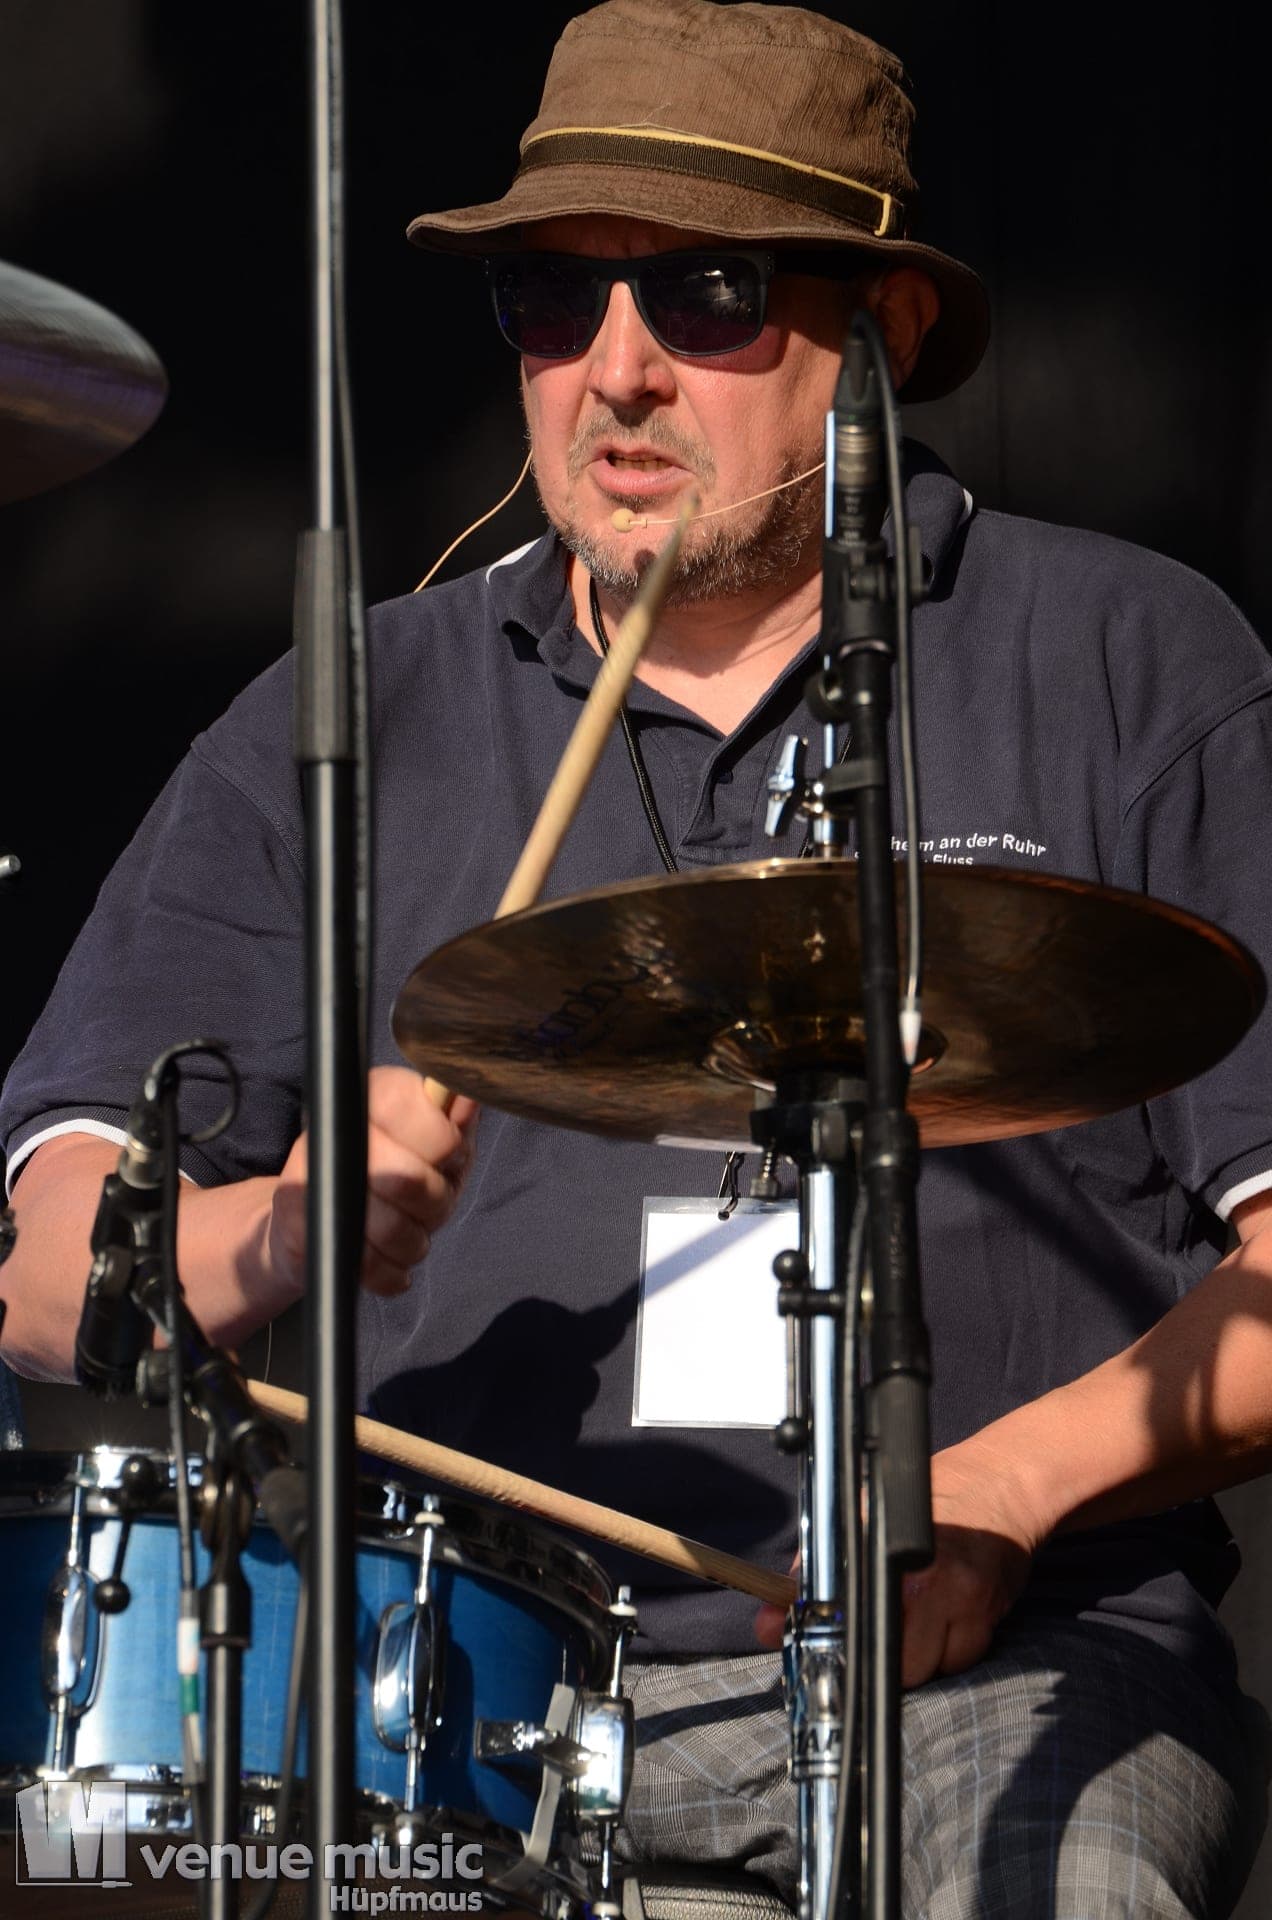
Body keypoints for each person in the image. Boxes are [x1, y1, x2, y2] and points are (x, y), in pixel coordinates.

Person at [3, 0, 1272, 1912]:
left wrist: (1000, 1492)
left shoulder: (1125, 662)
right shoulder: (354, 714)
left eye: (708, 292)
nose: (616, 371)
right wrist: (284, 1230)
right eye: (550, 299)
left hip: (1001, 1667)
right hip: (456, 1696)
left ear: (881, 326)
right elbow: (42, 1282)